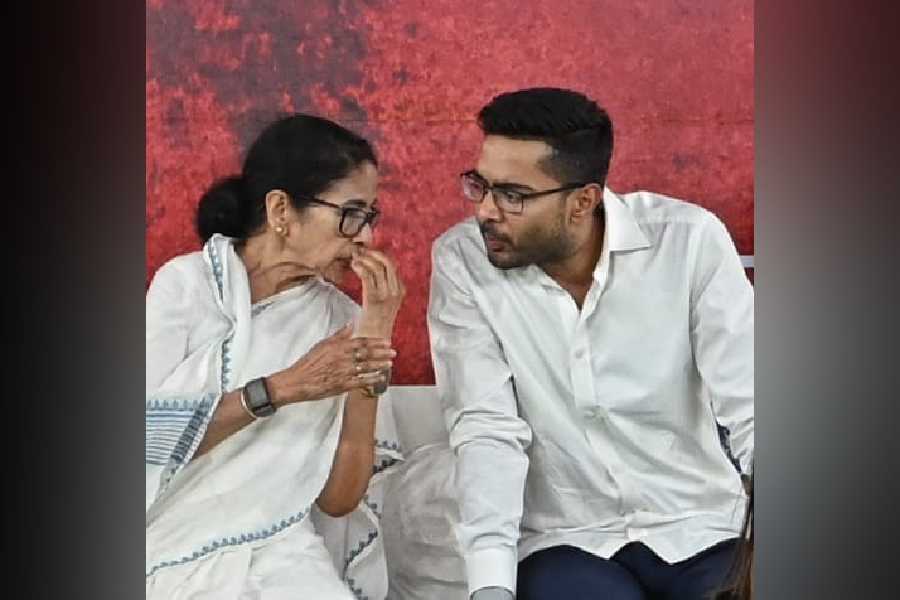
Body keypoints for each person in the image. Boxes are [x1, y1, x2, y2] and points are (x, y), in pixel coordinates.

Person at [427, 88, 753, 600]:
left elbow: (753, 403)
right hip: (566, 541)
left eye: (512, 194)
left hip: (703, 527)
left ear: (584, 200)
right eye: (479, 185)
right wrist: (490, 586)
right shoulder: (462, 261)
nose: (486, 211)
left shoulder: (687, 241)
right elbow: (486, 428)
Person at [146, 114, 405, 599]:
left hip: (281, 551)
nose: (366, 238)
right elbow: (139, 438)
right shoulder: (187, 287)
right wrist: (284, 387)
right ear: (282, 210)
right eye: (350, 214)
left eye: (370, 216)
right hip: (163, 541)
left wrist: (373, 337)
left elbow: (340, 500)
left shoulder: (343, 320)